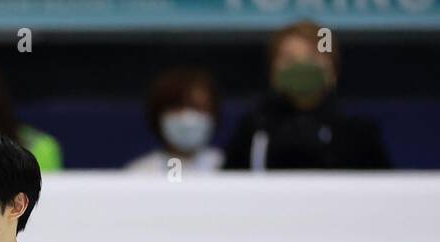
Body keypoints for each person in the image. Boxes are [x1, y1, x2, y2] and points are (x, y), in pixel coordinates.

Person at [223, 19, 390, 170]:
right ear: (273, 73)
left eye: (313, 56)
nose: (301, 65)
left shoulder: (359, 134)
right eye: (289, 58)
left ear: (332, 70)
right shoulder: (253, 130)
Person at [124, 67, 223, 174]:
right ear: (158, 115)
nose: (187, 117)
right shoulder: (138, 174)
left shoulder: (228, 168)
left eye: (198, 107)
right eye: (178, 108)